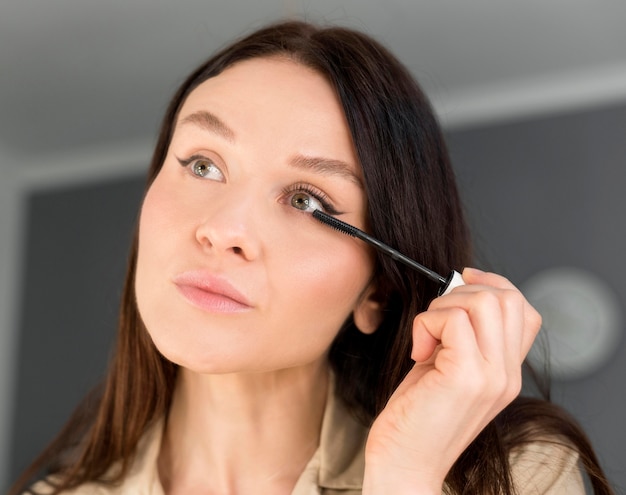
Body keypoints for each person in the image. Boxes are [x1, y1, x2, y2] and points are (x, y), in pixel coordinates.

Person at [11, 20, 614, 495]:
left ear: (377, 292)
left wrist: (403, 479)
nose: (224, 230)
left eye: (306, 199)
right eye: (203, 164)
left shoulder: (512, 479)